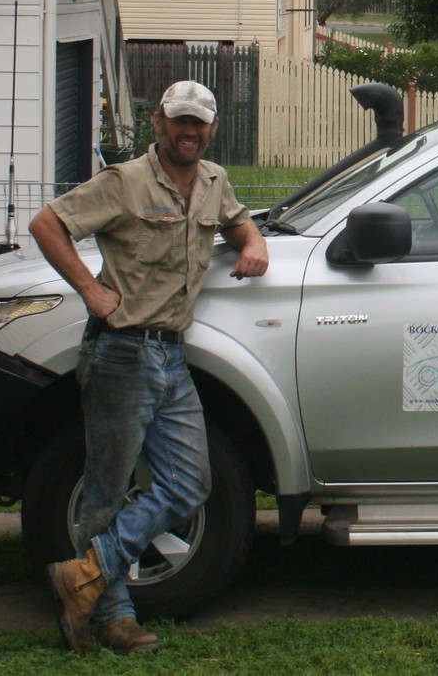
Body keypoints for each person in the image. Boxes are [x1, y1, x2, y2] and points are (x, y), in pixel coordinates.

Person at [28, 80, 268, 656]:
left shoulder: (214, 182)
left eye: (199, 123)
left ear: (211, 128)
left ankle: (84, 574)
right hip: (121, 355)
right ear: (158, 122)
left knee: (190, 483)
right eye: (179, 121)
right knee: (106, 493)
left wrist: (254, 242)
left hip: (172, 355)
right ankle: (113, 617)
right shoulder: (125, 182)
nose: (189, 132)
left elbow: (237, 223)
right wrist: (90, 289)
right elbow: (47, 224)